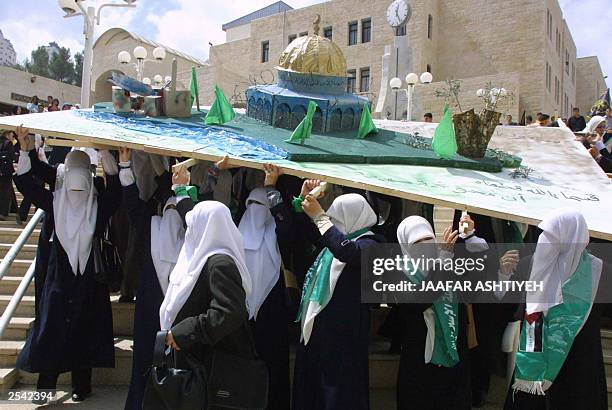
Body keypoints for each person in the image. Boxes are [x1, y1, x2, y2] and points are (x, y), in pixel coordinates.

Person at [12, 126, 121, 404]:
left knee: (84, 335)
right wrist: (24, 148)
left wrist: (110, 153)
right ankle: (45, 386)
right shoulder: (57, 203)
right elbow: (25, 183)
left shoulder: (95, 206)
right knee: (51, 333)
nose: (75, 194)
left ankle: (81, 387)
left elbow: (115, 191)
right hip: (61, 283)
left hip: (87, 284)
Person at [504, 209, 609, 410]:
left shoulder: (600, 273)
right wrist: (503, 276)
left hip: (580, 369)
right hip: (534, 369)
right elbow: (506, 304)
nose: (544, 243)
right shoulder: (530, 264)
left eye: (552, 238)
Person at [292, 189, 384, 410]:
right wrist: (303, 204)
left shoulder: (371, 244)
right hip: (320, 330)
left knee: (340, 392)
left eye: (337, 218)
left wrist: (321, 218)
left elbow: (349, 253)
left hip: (345, 335)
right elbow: (312, 232)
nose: (332, 223)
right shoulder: (336, 241)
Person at [120, 148, 196, 410]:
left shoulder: (193, 242)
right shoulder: (149, 226)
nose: (173, 214)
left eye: (179, 210)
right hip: (148, 318)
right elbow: (131, 201)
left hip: (179, 324)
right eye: (169, 209)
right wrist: (124, 164)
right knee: (143, 364)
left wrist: (182, 190)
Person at [160, 201, 257, 396]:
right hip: (201, 359)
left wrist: (187, 331)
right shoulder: (205, 259)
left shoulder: (220, 263)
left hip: (213, 364)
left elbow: (229, 312)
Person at [395, 216, 472, 410]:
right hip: (420, 356)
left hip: (452, 351)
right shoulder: (399, 271)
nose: (424, 246)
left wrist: (469, 235)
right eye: (416, 242)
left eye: (428, 239)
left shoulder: (448, 263)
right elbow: (418, 301)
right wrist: (443, 261)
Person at [238, 164, 291, 410]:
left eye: (260, 206)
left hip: (272, 319)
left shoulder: (277, 236)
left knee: (274, 370)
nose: (255, 212)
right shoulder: (235, 241)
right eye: (251, 206)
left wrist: (272, 189)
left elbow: (287, 226)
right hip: (244, 322)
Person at [0, 130, 18, 222]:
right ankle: (3, 213)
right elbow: (10, 157)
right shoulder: (8, 143)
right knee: (5, 191)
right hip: (5, 172)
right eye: (12, 133)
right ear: (7, 133)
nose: (13, 135)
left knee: (7, 190)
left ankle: (14, 209)